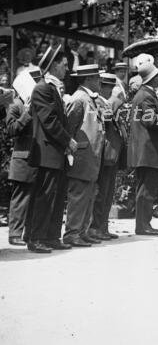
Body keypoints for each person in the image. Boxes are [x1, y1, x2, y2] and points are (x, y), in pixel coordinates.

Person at [25, 46, 77, 253]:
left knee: (56, 195)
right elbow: (50, 122)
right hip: (48, 152)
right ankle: (36, 237)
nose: (66, 69)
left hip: (56, 152)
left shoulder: (53, 88)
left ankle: (51, 236)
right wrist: (68, 141)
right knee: (45, 196)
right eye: (64, 65)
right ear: (54, 65)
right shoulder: (43, 88)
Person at [127, 62, 158, 236]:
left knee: (145, 188)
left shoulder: (144, 94)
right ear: (153, 78)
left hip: (145, 151)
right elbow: (151, 121)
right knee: (146, 189)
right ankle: (143, 226)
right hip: (147, 151)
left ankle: (143, 224)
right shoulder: (146, 96)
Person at [63, 65, 105, 247]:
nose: (99, 81)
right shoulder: (79, 99)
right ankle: (72, 233)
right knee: (79, 195)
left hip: (90, 156)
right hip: (81, 155)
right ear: (88, 79)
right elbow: (68, 129)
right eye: (97, 78)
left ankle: (82, 231)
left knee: (88, 195)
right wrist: (70, 151)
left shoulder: (88, 98)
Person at [5, 69, 42, 246]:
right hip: (22, 158)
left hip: (36, 157)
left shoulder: (38, 103)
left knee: (34, 197)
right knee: (21, 198)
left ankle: (29, 233)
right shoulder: (15, 105)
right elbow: (12, 130)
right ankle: (15, 233)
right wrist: (27, 113)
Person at [90, 73, 126, 240]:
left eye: (111, 86)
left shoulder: (107, 102)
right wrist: (118, 100)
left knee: (108, 192)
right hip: (103, 153)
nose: (109, 89)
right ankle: (95, 227)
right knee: (101, 193)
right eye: (106, 86)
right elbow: (107, 117)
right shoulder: (97, 102)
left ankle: (103, 226)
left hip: (112, 153)